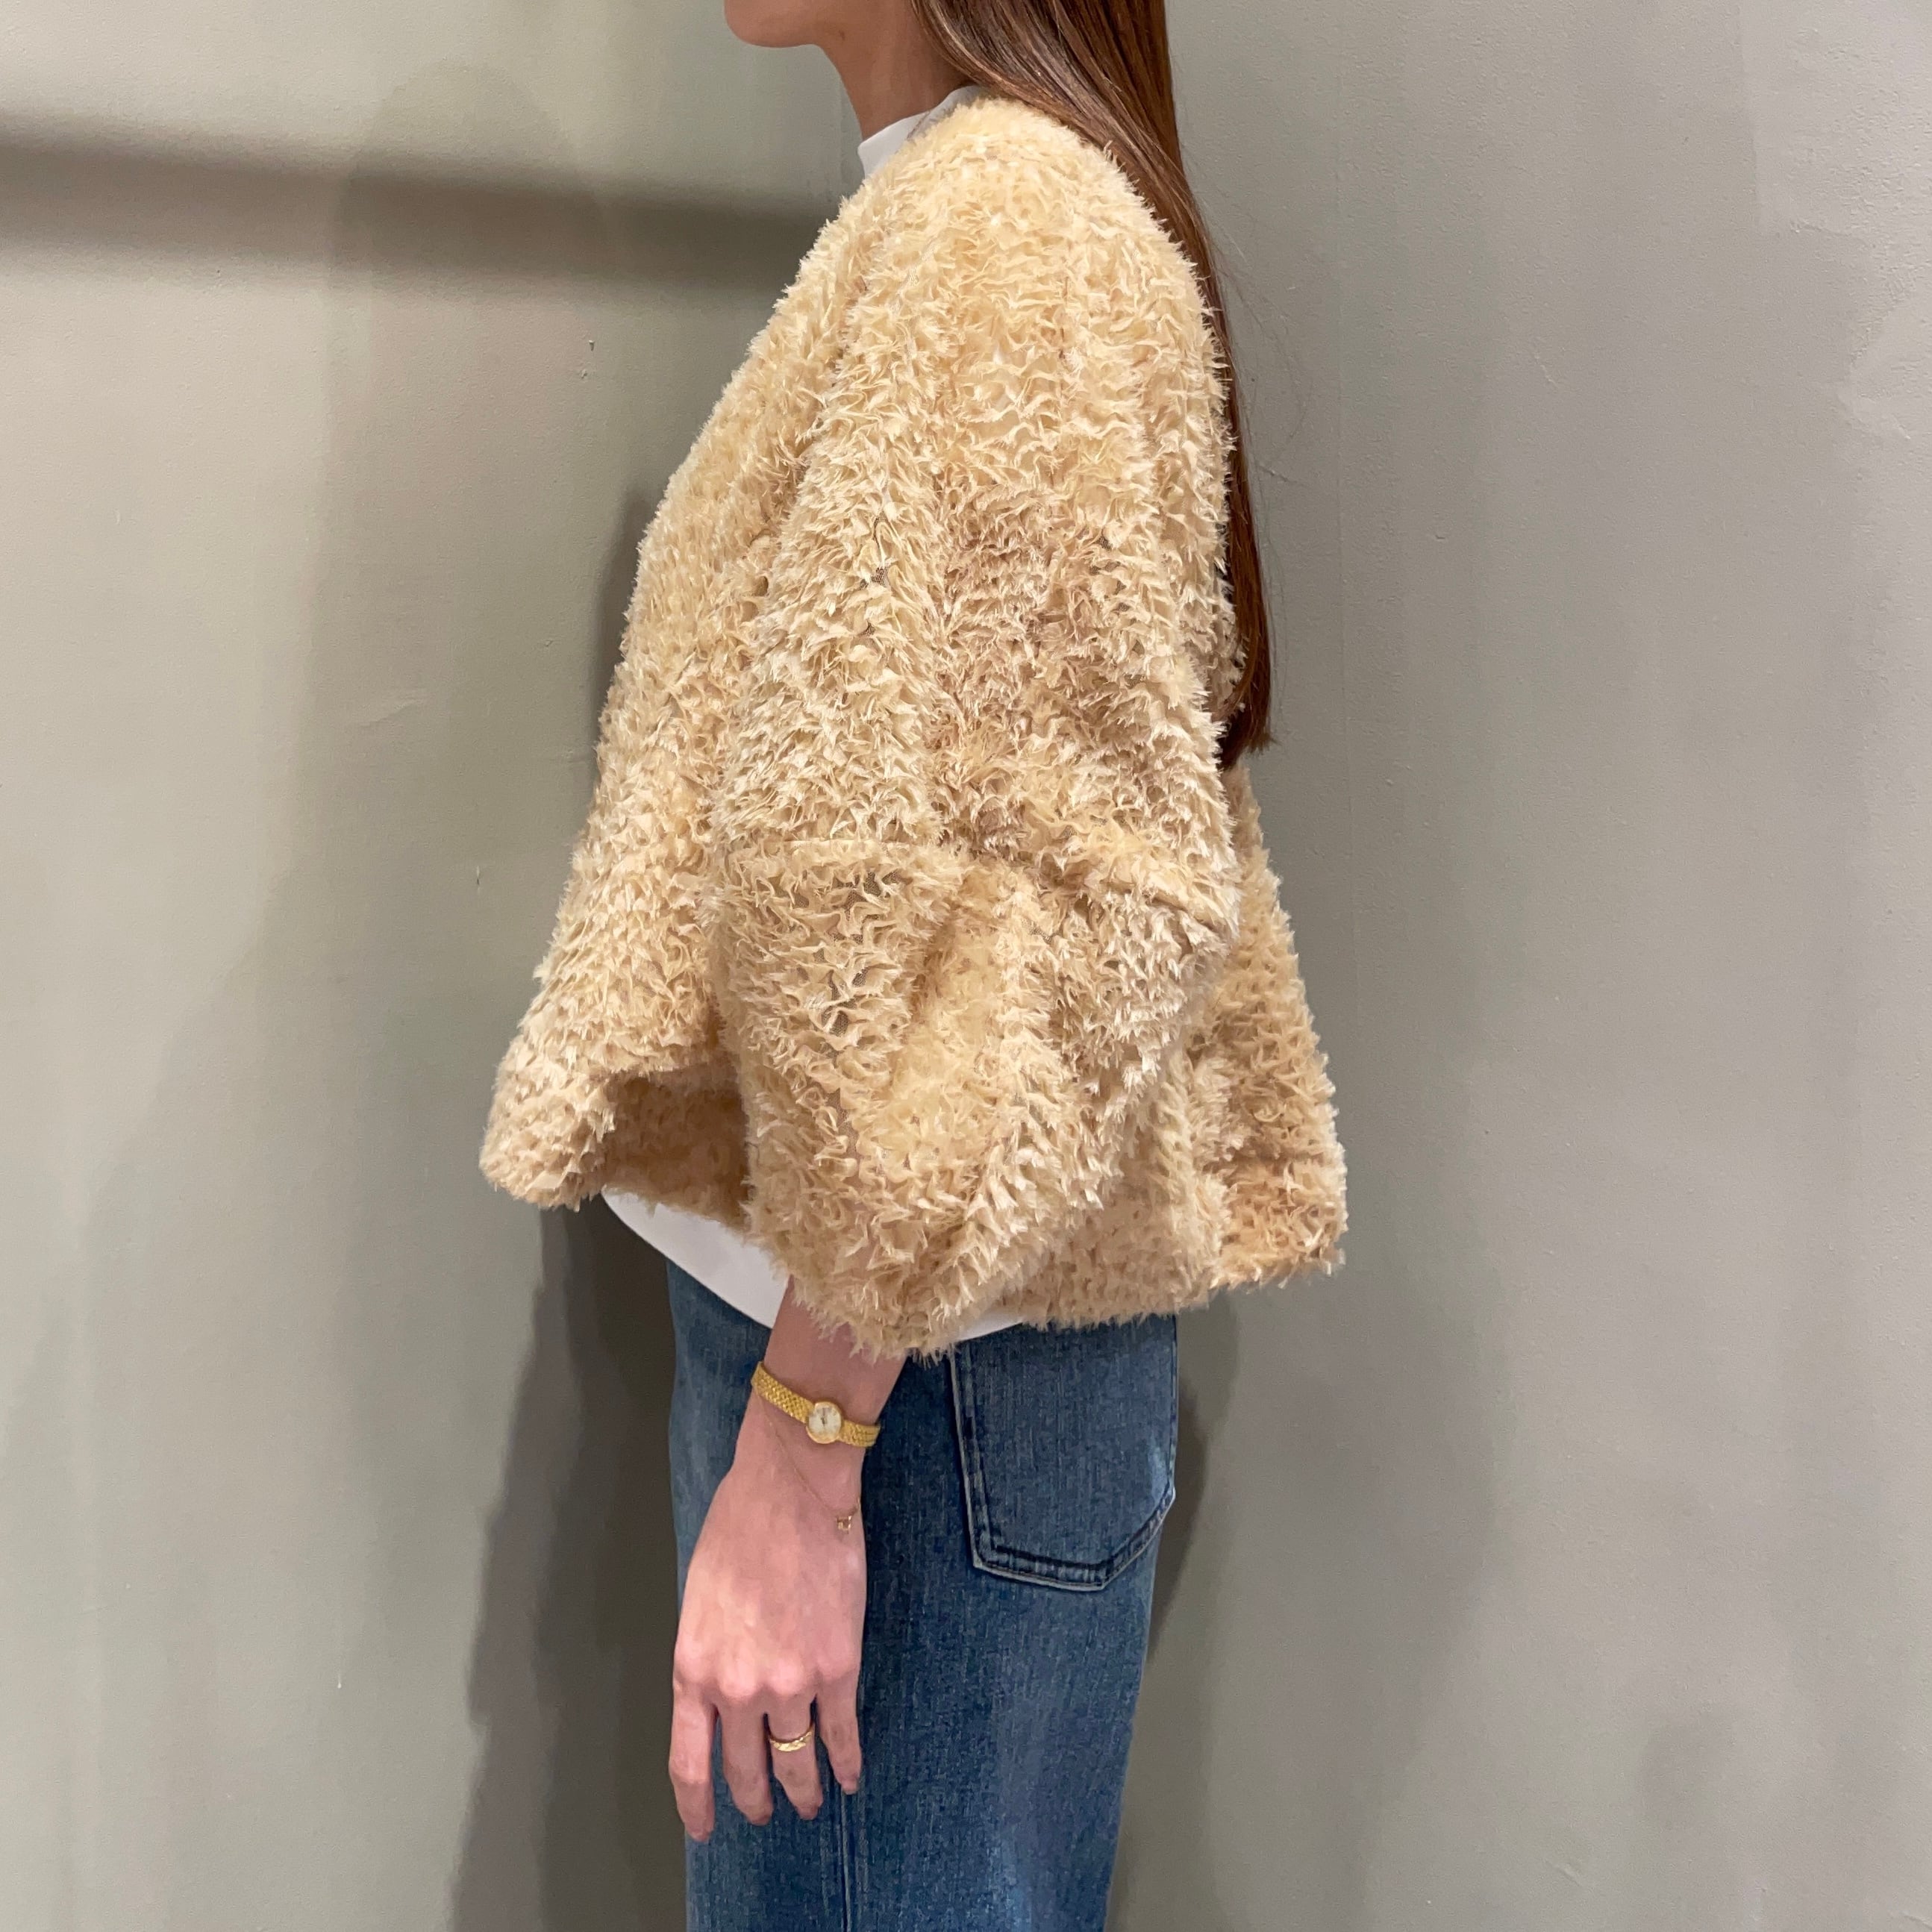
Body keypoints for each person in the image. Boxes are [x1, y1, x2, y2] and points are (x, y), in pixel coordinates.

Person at [478, 0, 1346, 1922]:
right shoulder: (959, 212)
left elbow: (1086, 899)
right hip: (895, 1372)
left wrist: (808, 1440)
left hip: (900, 1392)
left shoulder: (1009, 227)